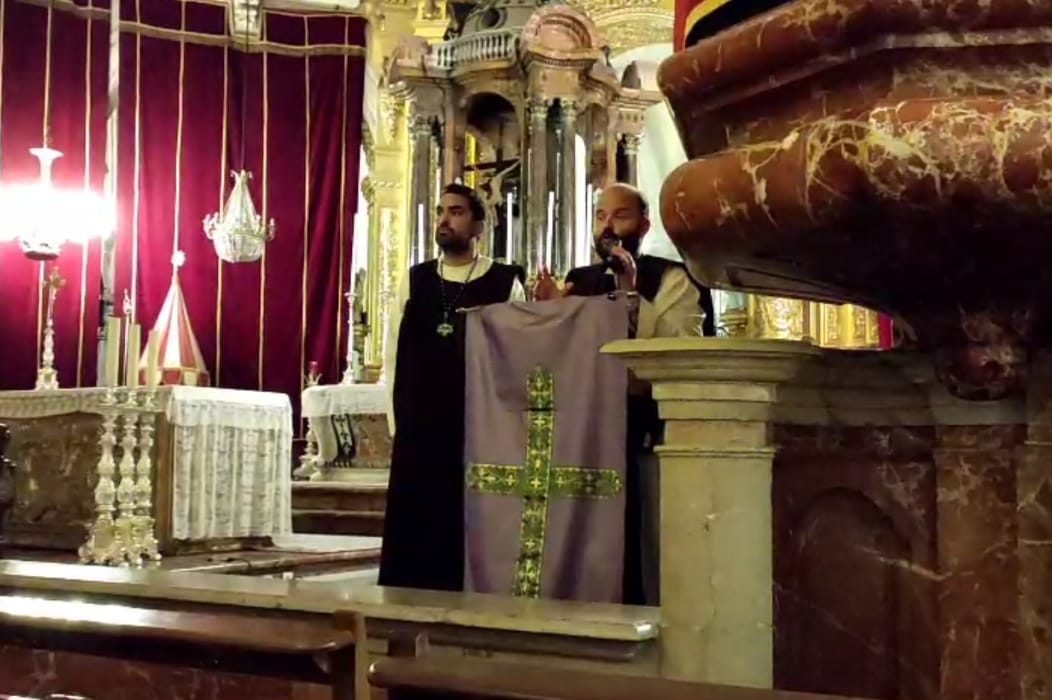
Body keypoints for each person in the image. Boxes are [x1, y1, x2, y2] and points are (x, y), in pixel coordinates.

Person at [534, 182, 715, 605]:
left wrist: (632, 295)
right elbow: (560, 357)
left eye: (620, 216)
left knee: (641, 544)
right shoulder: (580, 281)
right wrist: (547, 314)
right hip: (583, 435)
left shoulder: (672, 279)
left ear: (644, 226)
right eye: (600, 216)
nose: (608, 227)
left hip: (643, 432)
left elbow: (683, 349)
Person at [380, 183, 526, 591]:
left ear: (478, 225)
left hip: (475, 423)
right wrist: (397, 421)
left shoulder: (504, 281)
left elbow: (515, 355)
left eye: (456, 212)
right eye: (441, 211)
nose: (444, 220)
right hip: (419, 424)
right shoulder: (416, 280)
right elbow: (394, 352)